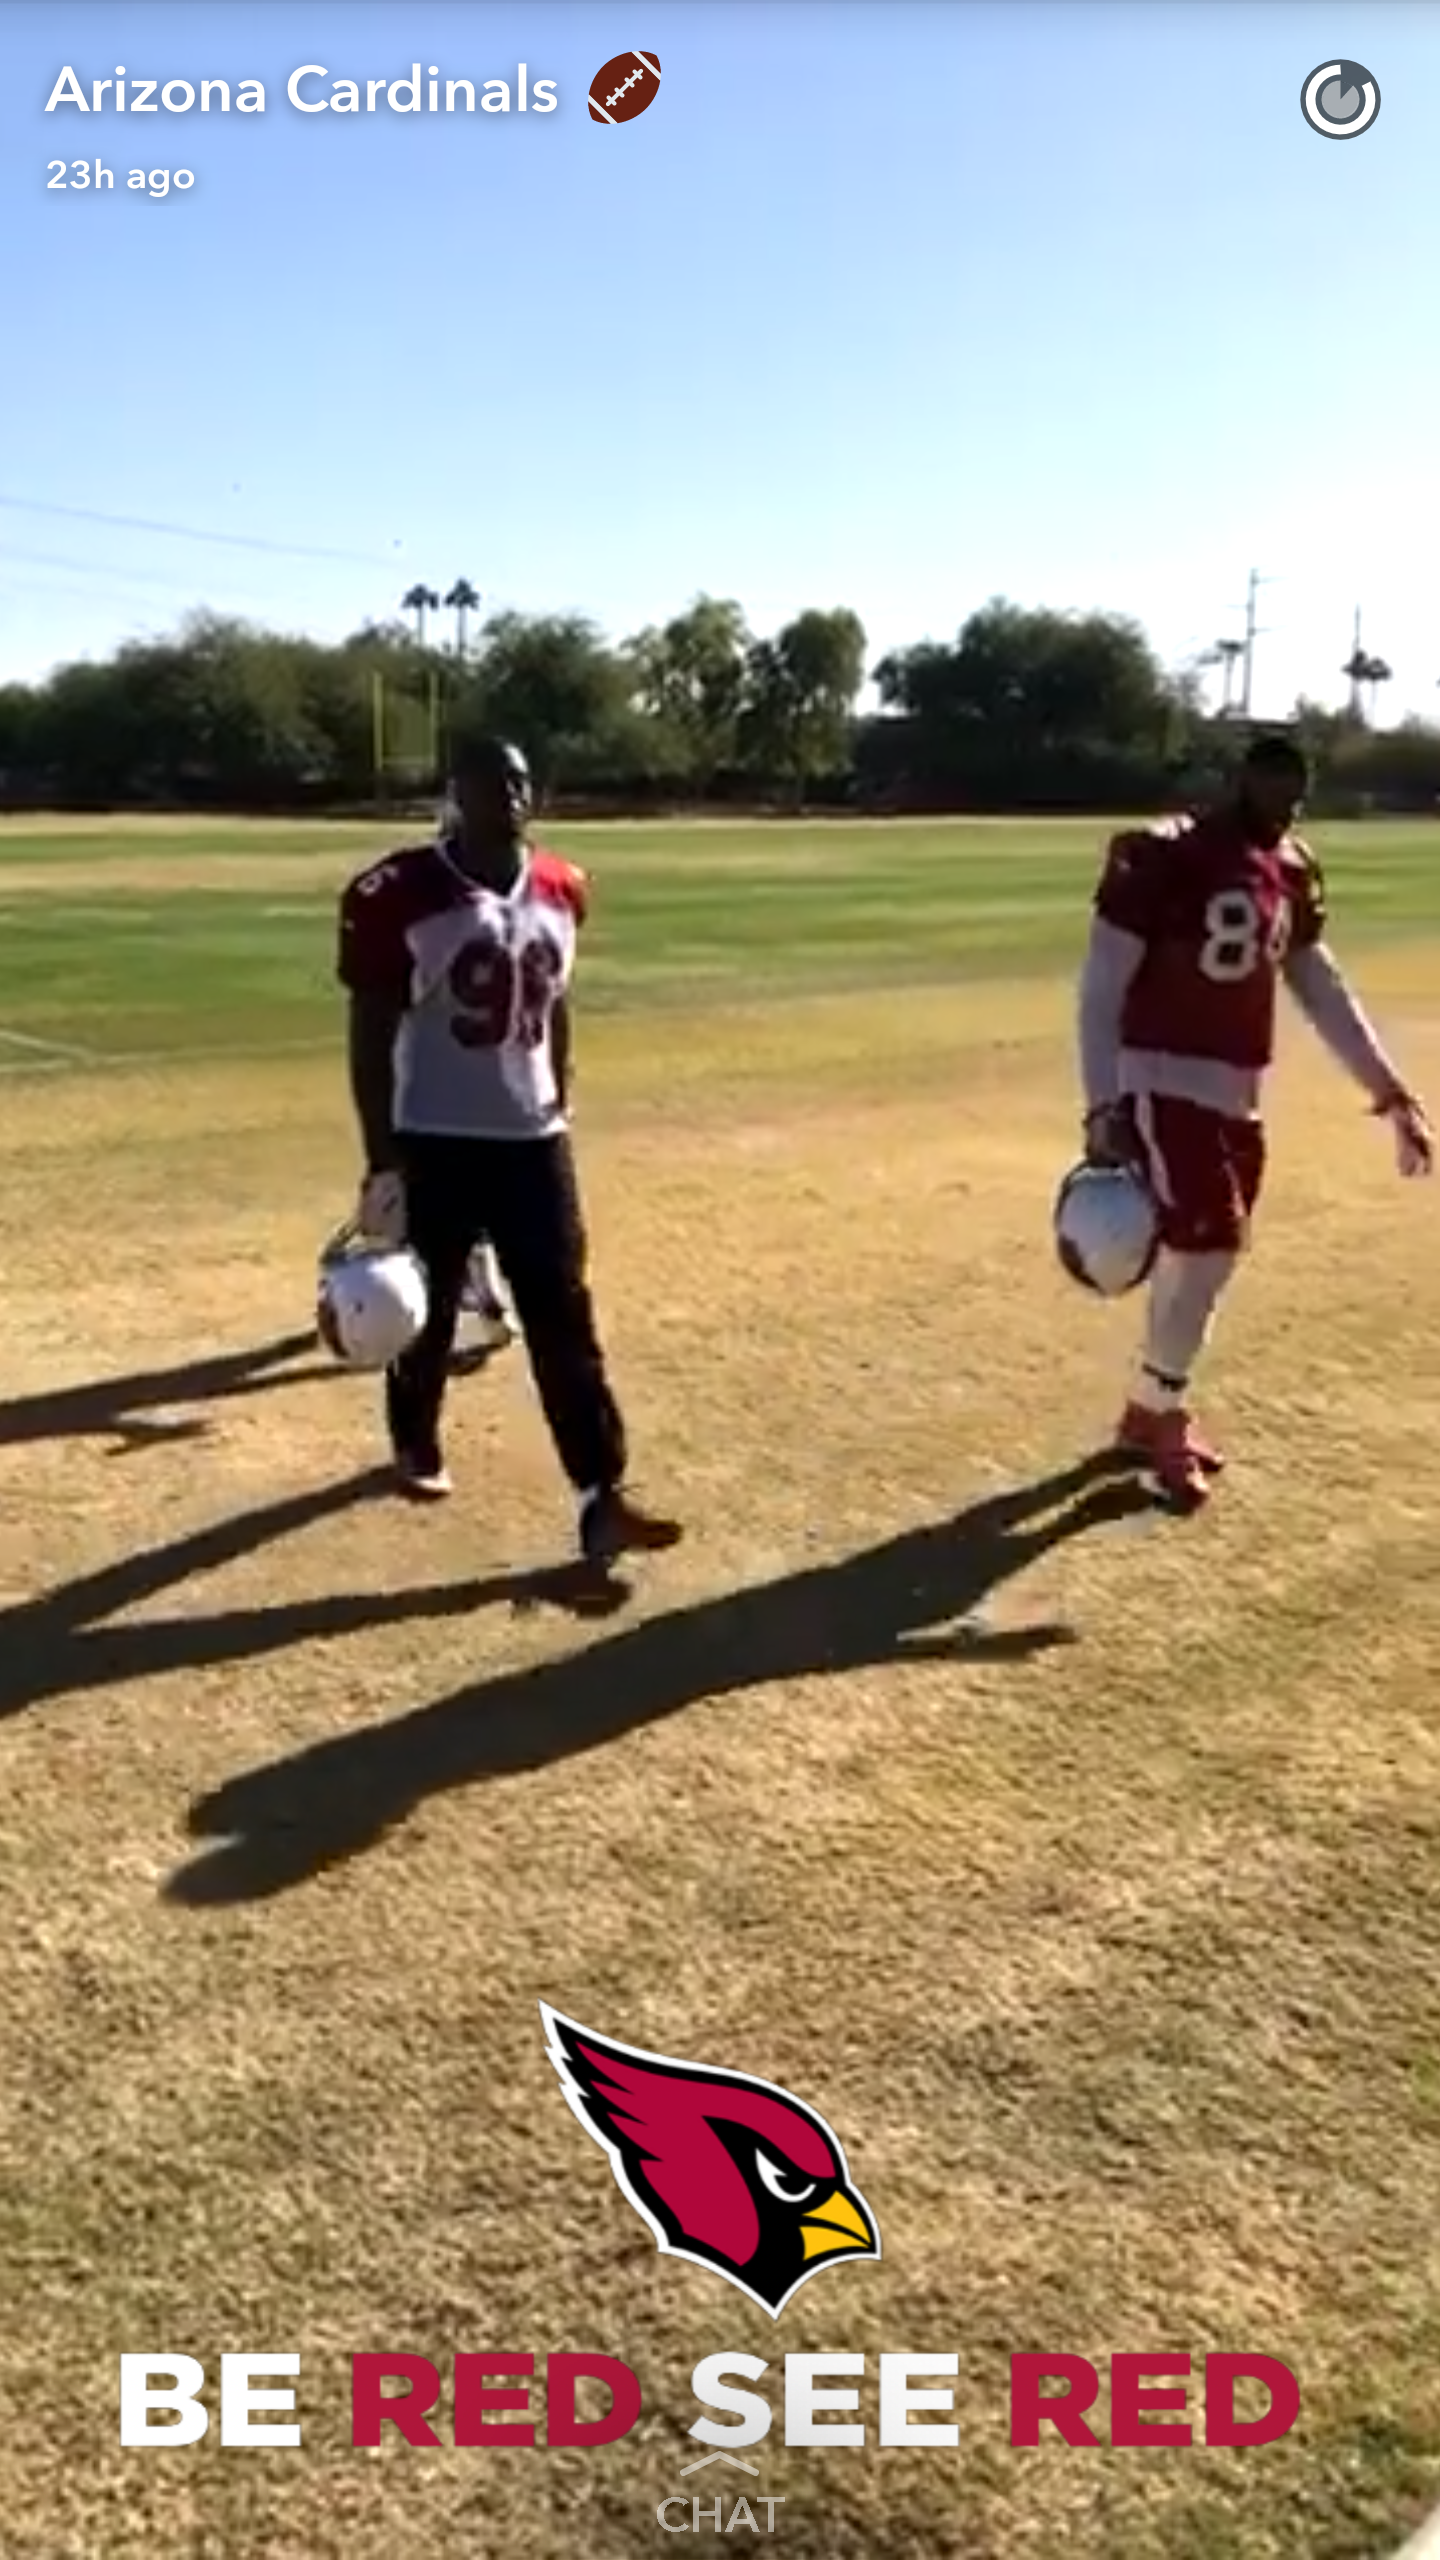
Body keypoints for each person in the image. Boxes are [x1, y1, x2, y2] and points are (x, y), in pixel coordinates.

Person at [335, 732, 681, 1567]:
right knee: (426, 1310)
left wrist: (560, 1087)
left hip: (533, 1139)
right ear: (459, 792)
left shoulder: (562, 886)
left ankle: (601, 1493)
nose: (517, 796)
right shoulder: (402, 891)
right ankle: (414, 1436)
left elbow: (555, 1000)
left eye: (524, 782)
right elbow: (371, 1031)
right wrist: (382, 1158)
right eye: (498, 782)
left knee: (564, 1316)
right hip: (434, 1135)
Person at [1078, 733, 1432, 1506]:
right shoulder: (1166, 855)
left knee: (1199, 1255)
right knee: (1209, 1246)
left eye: (1295, 790)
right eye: (1273, 784)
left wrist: (1389, 1090)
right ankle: (1165, 1419)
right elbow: (1102, 984)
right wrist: (1103, 1102)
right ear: (1241, 781)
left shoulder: (1290, 868)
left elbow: (1318, 983)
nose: (1285, 804)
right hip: (1161, 1077)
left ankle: (1146, 1408)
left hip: (1237, 1091)